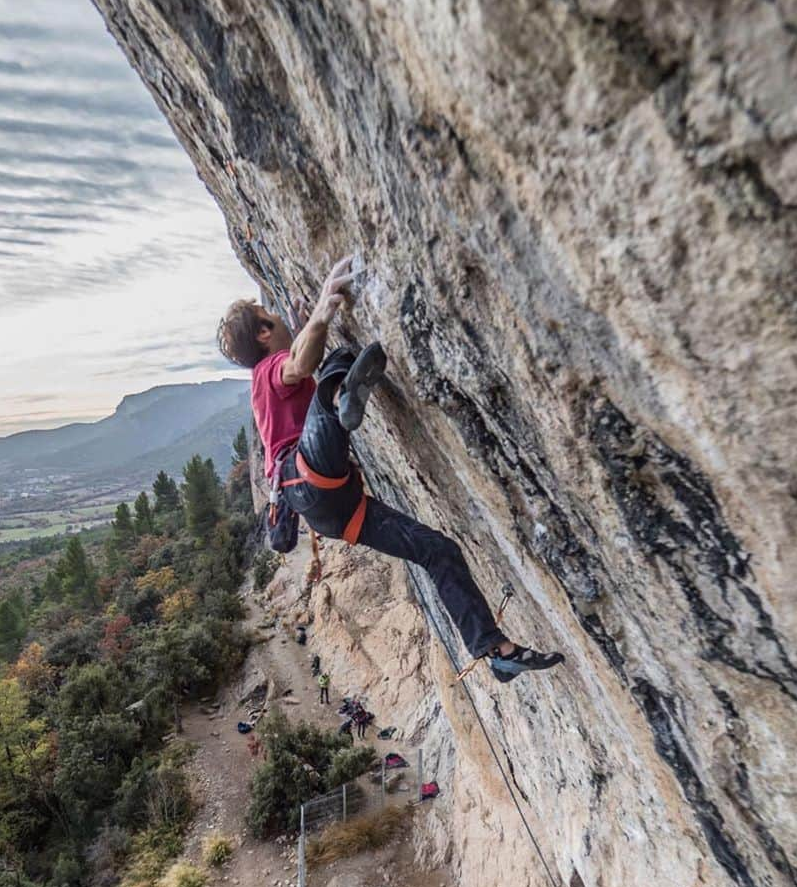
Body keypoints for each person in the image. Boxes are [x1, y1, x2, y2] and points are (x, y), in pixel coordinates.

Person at [217, 256, 564, 683]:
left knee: (438, 550)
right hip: (306, 474)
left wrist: (307, 326)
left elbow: (302, 362)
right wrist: (324, 309)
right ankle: (340, 403)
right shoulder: (268, 371)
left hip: (333, 506)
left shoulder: (270, 377)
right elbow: (298, 366)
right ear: (265, 334)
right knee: (338, 361)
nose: (276, 317)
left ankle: (495, 650)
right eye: (268, 316)